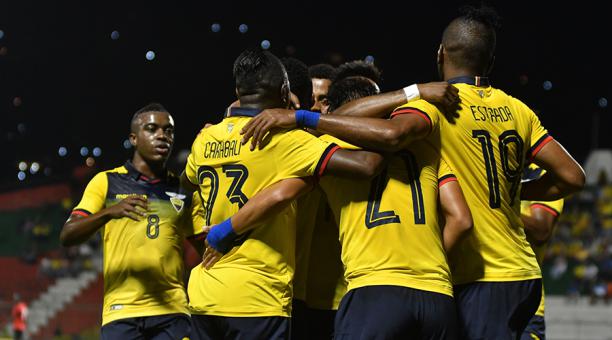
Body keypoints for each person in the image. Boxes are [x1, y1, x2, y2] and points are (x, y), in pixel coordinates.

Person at [240, 5, 586, 339]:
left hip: (477, 275)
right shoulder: (518, 110)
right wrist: (511, 189)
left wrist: (303, 118)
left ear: (440, 54)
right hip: (522, 273)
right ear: (491, 61)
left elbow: (391, 134)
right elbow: (573, 177)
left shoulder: (437, 107)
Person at [217, 72, 471, 338]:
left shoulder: (325, 146)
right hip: (438, 296)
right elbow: (461, 220)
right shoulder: (425, 144)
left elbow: (281, 194)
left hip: (373, 291)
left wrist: (224, 231)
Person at [183, 48, 386, 340]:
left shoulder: (205, 139)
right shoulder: (288, 140)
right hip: (257, 295)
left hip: (205, 293)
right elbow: (367, 165)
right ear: (283, 92)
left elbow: (184, 188)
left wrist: (199, 235)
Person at [60, 103, 197, 339]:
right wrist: (108, 213)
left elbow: (203, 244)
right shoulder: (107, 181)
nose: (162, 136)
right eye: (152, 129)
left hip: (172, 311)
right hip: (121, 311)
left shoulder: (183, 190)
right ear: (134, 138)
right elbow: (68, 235)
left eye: (168, 130)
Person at [520, 165, 564, 340]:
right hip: (478, 294)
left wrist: (499, 209)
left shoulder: (541, 175)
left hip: (525, 304)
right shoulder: (486, 167)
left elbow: (541, 229)